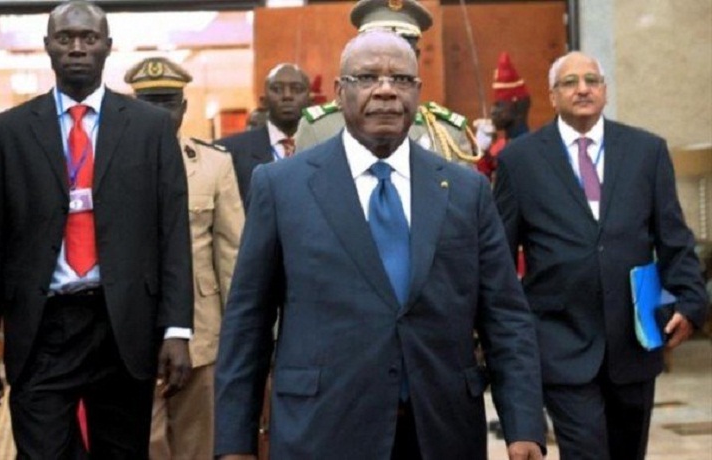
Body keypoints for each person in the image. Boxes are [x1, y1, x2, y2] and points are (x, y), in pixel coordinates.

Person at [215, 30, 545, 460]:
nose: (386, 90)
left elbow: (505, 316)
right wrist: (235, 443)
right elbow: (248, 322)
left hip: (441, 431)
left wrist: (523, 425)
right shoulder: (282, 186)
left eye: (401, 79)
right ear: (339, 92)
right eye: (367, 77)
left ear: (418, 93)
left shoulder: (466, 190)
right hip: (322, 430)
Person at [0, 1, 193, 457]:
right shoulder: (10, 132)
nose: (77, 48)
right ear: (47, 46)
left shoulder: (150, 128)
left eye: (88, 38)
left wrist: (177, 329)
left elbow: (172, 233)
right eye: (65, 38)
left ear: (108, 46)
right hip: (42, 327)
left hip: (123, 323)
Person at [493, 51, 709, 460]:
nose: (583, 89)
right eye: (570, 82)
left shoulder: (646, 151)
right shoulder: (520, 161)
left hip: (635, 340)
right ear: (552, 96)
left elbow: (673, 237)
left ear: (605, 91)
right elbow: (500, 255)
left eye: (592, 80)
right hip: (561, 340)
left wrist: (691, 300)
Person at [124, 56, 245, 460]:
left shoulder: (214, 164)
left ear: (184, 107)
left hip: (203, 328)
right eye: (150, 102)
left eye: (168, 102)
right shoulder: (112, 162)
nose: (160, 112)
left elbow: (232, 253)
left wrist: (239, 334)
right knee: (145, 441)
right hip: (132, 328)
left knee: (198, 443)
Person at [294, 0, 482, 165]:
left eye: (403, 50)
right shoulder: (318, 129)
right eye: (377, 47)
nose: (390, 55)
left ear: (416, 57)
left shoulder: (447, 135)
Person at [217, 63, 311, 206]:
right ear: (263, 101)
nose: (287, 96)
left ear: (310, 100)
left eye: (297, 89)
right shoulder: (229, 152)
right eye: (277, 89)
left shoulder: (326, 147)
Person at [475, 51, 531, 181]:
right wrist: (482, 153)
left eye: (499, 105)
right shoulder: (499, 146)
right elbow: (481, 183)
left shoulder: (531, 149)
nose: (493, 111)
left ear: (516, 107)